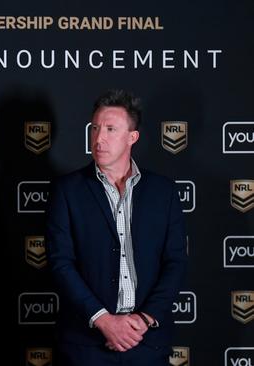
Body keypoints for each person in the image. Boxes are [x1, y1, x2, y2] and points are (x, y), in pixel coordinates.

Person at [45, 90, 187, 365]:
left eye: (110, 129)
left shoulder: (164, 192)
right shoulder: (66, 191)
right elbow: (60, 263)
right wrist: (103, 320)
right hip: (84, 347)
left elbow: (176, 262)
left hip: (147, 343)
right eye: (95, 128)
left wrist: (144, 319)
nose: (99, 139)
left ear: (132, 137)